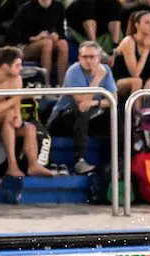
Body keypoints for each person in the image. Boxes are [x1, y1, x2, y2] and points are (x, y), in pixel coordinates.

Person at [0, 46, 56, 178]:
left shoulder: (16, 79)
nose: (22, 69)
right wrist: (17, 98)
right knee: (8, 115)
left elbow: (15, 108)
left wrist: (17, 117)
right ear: (5, 66)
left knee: (29, 128)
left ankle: (33, 165)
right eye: (18, 65)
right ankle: (12, 166)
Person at [47, 40, 115, 175]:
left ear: (99, 58)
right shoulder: (73, 71)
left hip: (89, 116)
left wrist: (96, 103)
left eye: (92, 57)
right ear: (79, 58)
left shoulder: (106, 70)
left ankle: (114, 161)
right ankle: (80, 160)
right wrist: (97, 78)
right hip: (63, 119)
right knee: (83, 110)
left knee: (114, 114)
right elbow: (82, 102)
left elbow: (113, 100)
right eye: (85, 57)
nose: (88, 61)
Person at [9, 0, 70, 86]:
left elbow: (61, 32)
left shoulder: (58, 7)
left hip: (49, 42)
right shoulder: (27, 8)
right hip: (26, 45)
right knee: (47, 43)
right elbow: (13, 32)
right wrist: (35, 38)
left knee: (63, 44)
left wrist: (57, 36)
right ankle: (46, 84)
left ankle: (62, 84)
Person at [110, 10, 150, 102]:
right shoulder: (129, 41)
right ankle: (137, 115)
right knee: (137, 81)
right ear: (137, 25)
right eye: (147, 23)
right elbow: (135, 73)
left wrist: (149, 82)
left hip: (143, 78)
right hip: (119, 80)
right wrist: (146, 50)